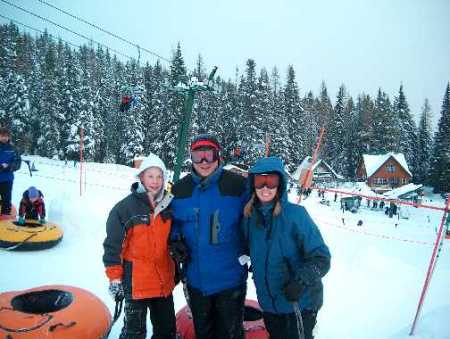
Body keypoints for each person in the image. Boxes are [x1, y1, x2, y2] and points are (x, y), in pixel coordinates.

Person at [241, 156, 331, 339]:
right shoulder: (249, 218)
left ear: (280, 184)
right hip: (268, 305)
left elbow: (322, 258)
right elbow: (245, 248)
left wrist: (300, 281)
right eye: (260, 181)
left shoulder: (296, 216)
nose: (265, 187)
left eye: (271, 181)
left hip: (298, 305)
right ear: (253, 184)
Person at [169, 134, 248, 339]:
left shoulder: (238, 186)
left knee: (230, 334)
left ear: (218, 156)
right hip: (196, 281)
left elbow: (256, 217)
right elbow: (171, 223)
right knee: (203, 333)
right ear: (191, 158)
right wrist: (175, 240)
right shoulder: (179, 190)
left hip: (230, 281)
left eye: (209, 155)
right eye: (198, 156)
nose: (204, 162)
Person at [103, 154, 176, 339]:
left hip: (163, 282)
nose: (155, 181)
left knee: (166, 331)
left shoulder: (169, 205)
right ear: (141, 177)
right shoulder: (125, 208)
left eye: (159, 177)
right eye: (150, 176)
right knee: (134, 333)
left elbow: (175, 238)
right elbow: (113, 245)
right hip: (136, 284)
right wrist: (114, 278)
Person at [0, 127, 21, 216]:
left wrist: (8, 166)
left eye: (6, 136)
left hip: (7, 180)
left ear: (8, 137)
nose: (4, 138)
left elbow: (18, 162)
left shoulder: (13, 149)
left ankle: (5, 219)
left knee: (6, 200)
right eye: (2, 136)